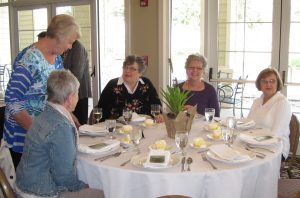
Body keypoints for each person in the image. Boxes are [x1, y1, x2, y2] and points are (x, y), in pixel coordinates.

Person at [3, 14, 81, 169]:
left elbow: (57, 93)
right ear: (59, 36)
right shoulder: (28, 60)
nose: (70, 47)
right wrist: (36, 131)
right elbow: (12, 100)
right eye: (70, 42)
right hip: (25, 137)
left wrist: (69, 114)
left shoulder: (56, 57)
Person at [15, 70, 104, 198]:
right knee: (104, 192)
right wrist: (84, 185)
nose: (78, 97)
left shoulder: (46, 113)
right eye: (77, 93)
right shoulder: (62, 126)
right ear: (69, 98)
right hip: (39, 192)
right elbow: (64, 178)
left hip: (24, 183)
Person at [97, 55, 161, 121]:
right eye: (125, 67)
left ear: (140, 73)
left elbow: (157, 106)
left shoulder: (146, 84)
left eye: (132, 69)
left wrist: (159, 116)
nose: (127, 70)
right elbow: (100, 109)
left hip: (144, 126)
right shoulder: (112, 85)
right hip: (118, 128)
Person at [247, 68, 292, 159]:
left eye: (272, 81)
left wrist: (254, 142)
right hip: (255, 142)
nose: (268, 84)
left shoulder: (282, 103)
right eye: (264, 81)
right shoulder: (257, 101)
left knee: (246, 159)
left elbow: (276, 134)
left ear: (277, 83)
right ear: (259, 84)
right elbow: (248, 124)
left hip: (275, 147)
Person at [62, 40, 92, 125]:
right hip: (68, 92)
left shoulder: (77, 47)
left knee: (79, 125)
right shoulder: (66, 46)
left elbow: (76, 74)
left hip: (79, 93)